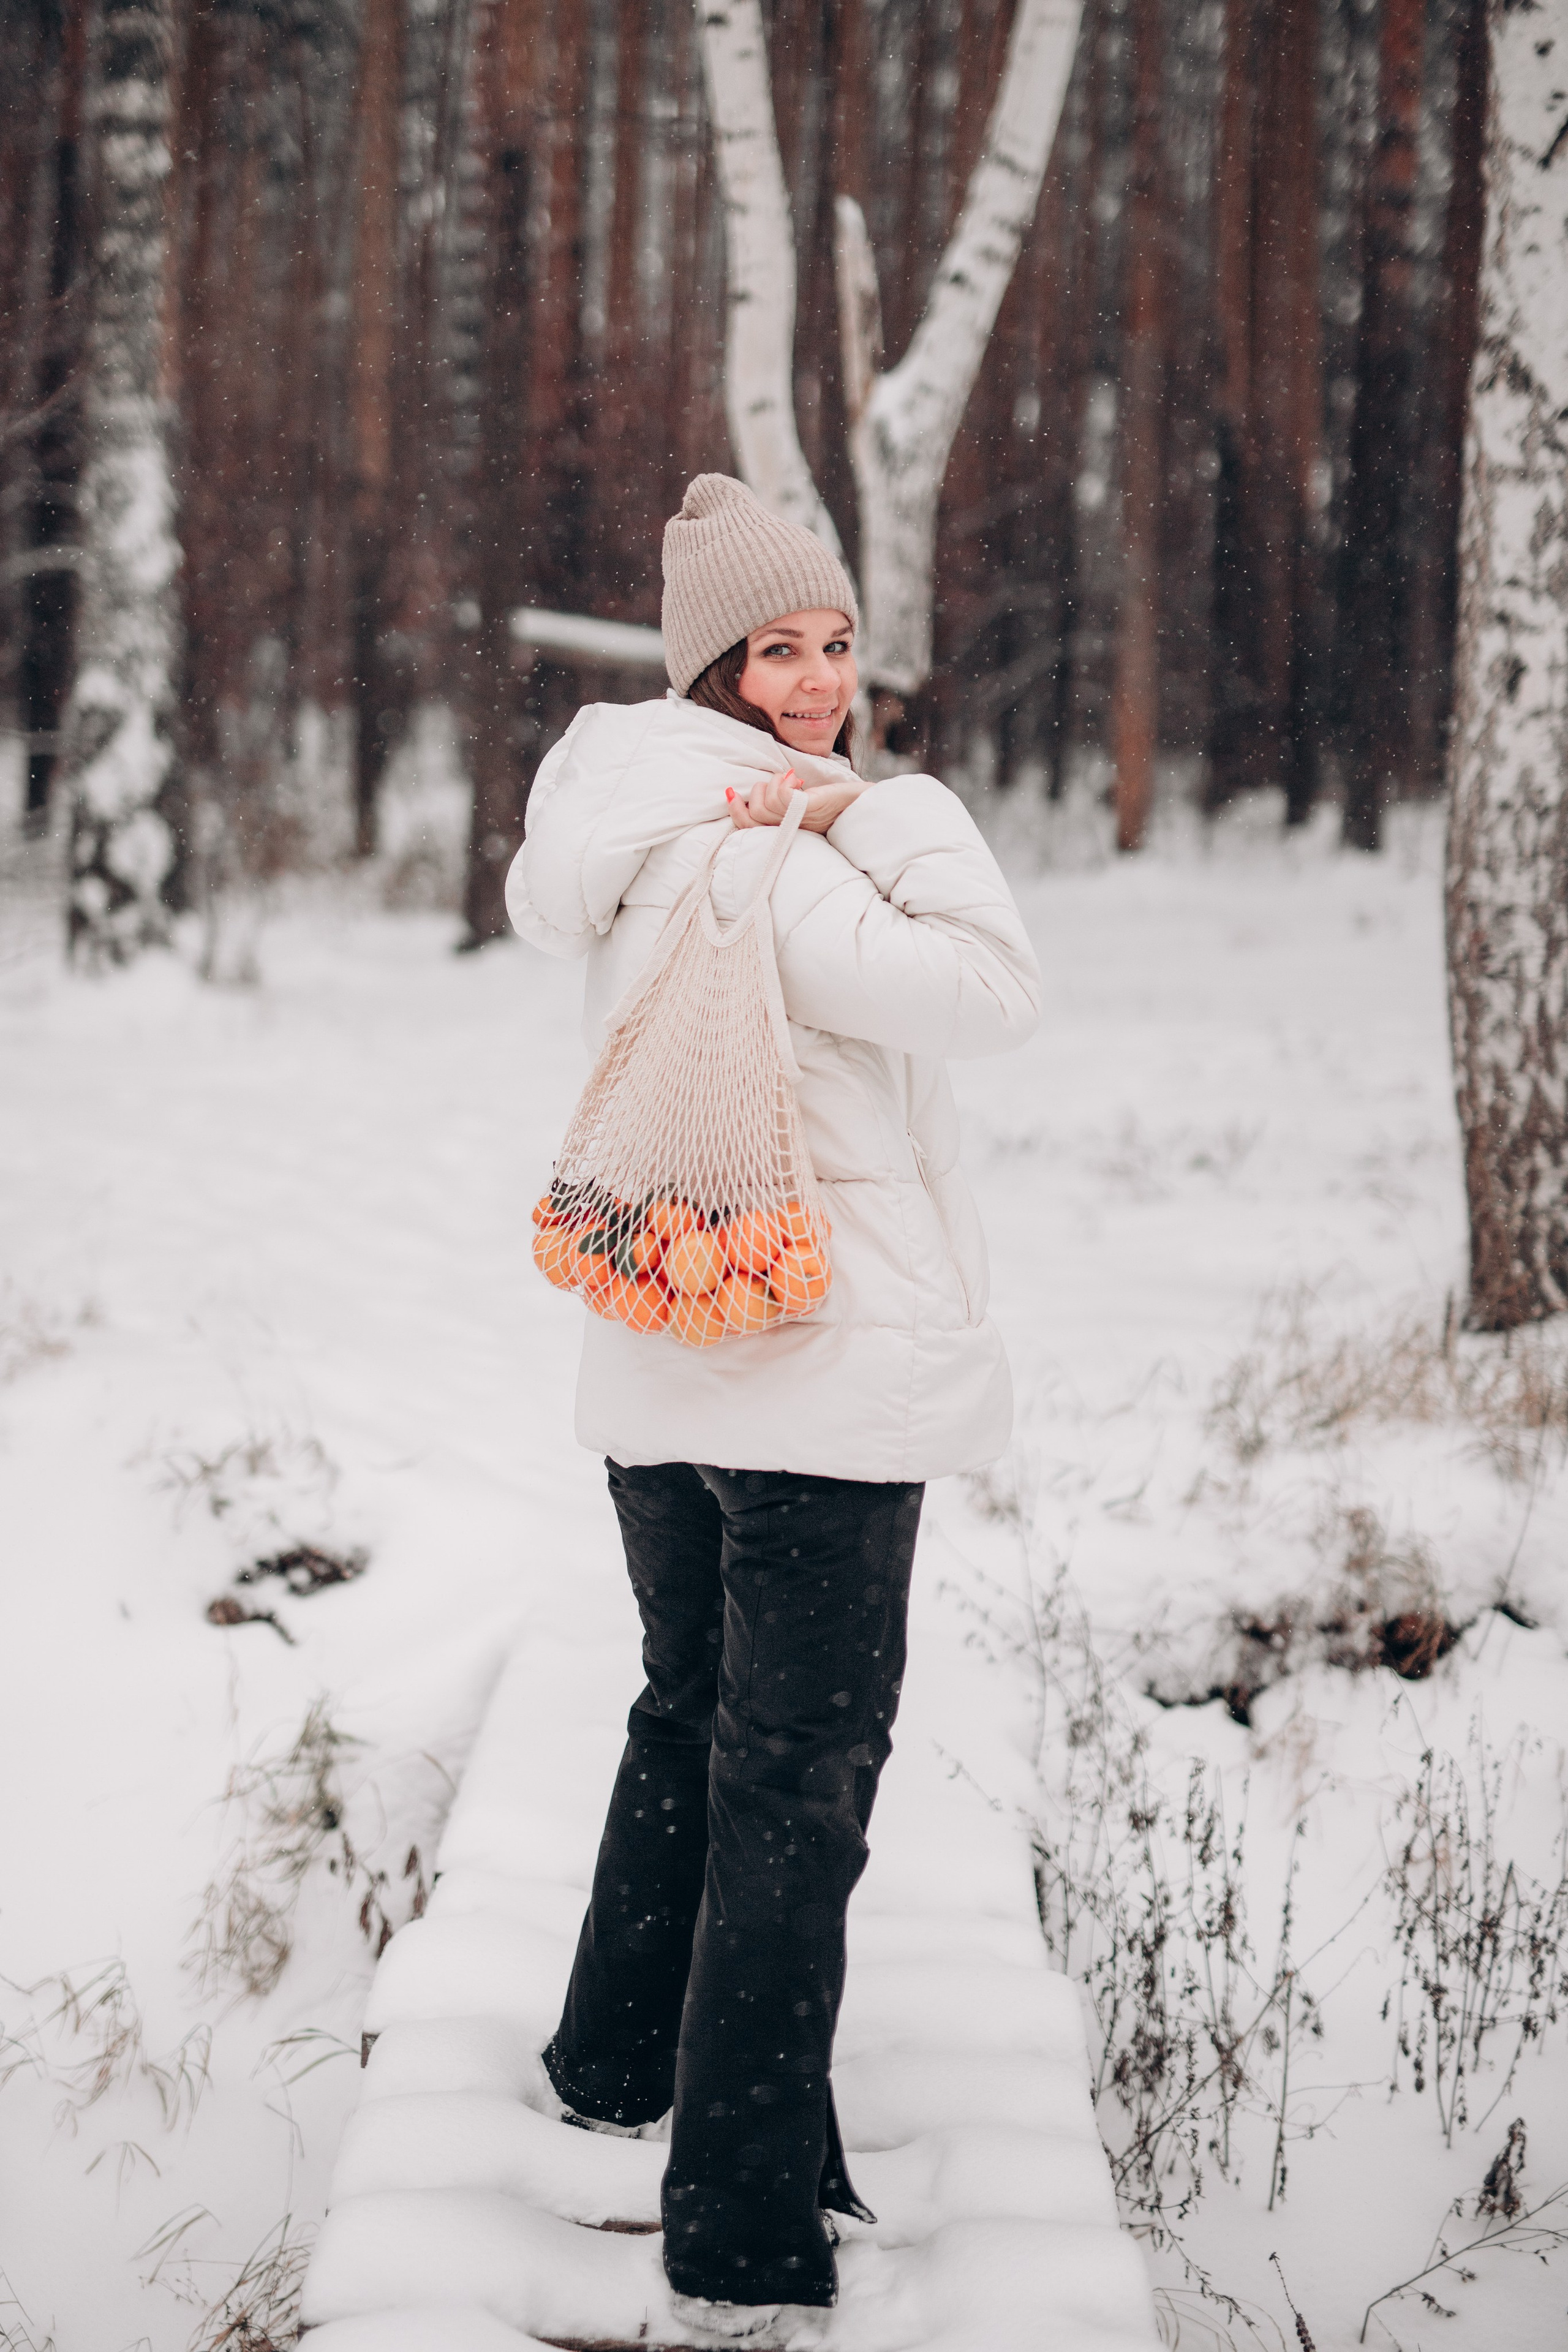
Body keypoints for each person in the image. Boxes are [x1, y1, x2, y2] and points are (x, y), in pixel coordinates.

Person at [506, 473, 1041, 2343]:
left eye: (833, 645)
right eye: (776, 651)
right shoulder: (782, 853)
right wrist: (887, 807)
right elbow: (988, 992)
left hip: (665, 1359)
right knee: (796, 1787)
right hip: (814, 1379)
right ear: (711, 665)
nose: (816, 685)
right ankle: (739, 2225)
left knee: (689, 1712)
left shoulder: (632, 824)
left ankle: (610, 2060)